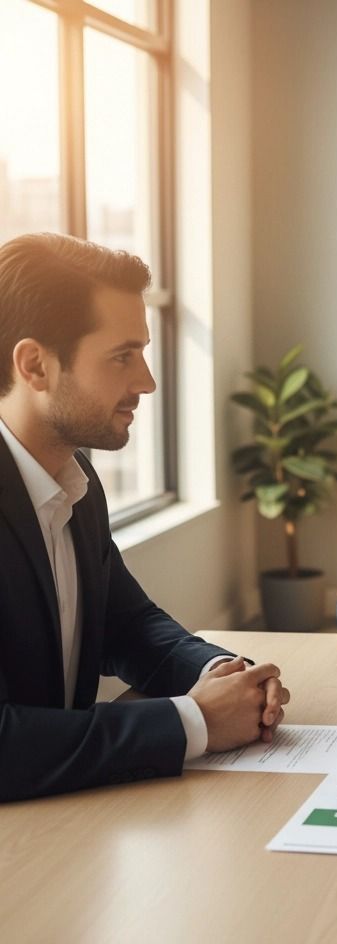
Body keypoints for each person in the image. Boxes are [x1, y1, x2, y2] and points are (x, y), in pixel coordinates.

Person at [0, 232, 289, 803]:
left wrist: (224, 674)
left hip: (61, 823)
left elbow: (128, 626)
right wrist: (193, 722)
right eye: (122, 356)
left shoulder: (74, 480)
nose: (147, 382)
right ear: (35, 365)